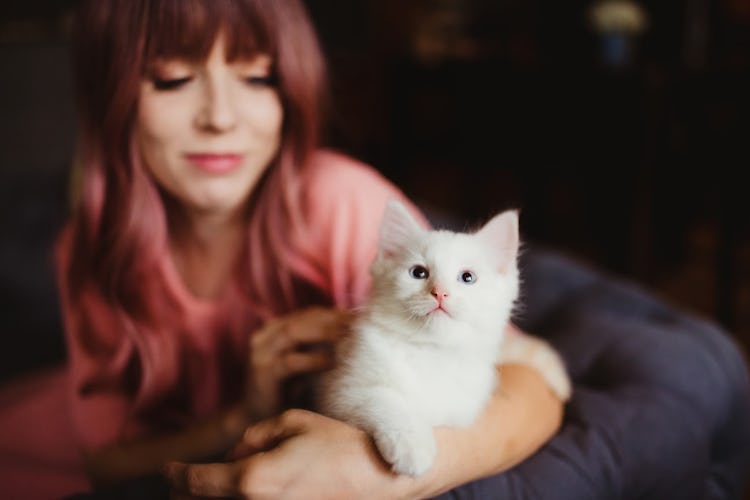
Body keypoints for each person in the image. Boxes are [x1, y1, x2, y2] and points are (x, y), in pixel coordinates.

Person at [59, 0, 564, 497]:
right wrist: (242, 417)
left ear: (290, 92)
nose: (220, 117)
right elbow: (106, 465)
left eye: (256, 77)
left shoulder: (339, 202)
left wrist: (396, 473)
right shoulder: (92, 248)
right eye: (172, 77)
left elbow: (532, 385)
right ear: (112, 97)